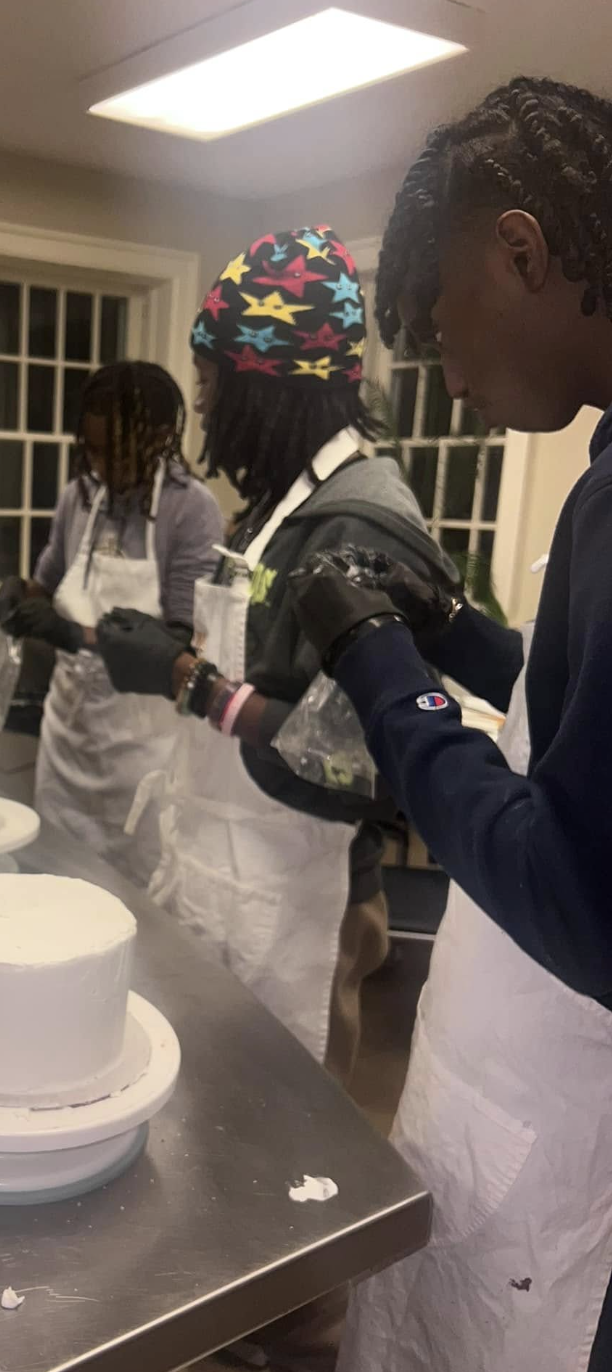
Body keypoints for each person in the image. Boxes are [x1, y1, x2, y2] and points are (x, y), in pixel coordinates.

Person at [279, 78, 612, 1372]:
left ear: (519, 252)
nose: (447, 380)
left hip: (553, 1087)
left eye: (439, 333)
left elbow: (580, 893)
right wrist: (457, 636)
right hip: (502, 1057)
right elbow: (580, 718)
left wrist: (382, 677)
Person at [96, 228, 457, 1083]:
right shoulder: (278, 510)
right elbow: (281, 668)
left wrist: (191, 684)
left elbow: (376, 758)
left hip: (304, 895)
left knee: (283, 1131)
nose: (202, 402)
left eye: (210, 379)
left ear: (266, 385)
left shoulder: (359, 523)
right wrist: (178, 651)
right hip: (226, 872)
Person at [0, 361, 223, 887]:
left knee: (133, 903)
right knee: (52, 886)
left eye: (112, 450)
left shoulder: (190, 510)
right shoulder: (80, 498)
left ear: (161, 435)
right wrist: (16, 595)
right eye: (91, 450)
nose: (99, 464)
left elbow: (180, 640)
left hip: (142, 754)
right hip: (68, 742)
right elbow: (47, 584)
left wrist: (75, 635)